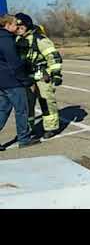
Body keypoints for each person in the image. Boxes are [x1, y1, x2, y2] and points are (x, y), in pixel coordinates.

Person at [15, 13, 63, 139]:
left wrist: (56, 73)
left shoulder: (40, 39)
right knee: (27, 105)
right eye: (17, 26)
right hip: (26, 77)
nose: (18, 29)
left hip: (42, 76)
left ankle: (50, 128)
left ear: (27, 26)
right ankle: (29, 128)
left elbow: (53, 56)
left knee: (46, 101)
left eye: (21, 26)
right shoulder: (17, 40)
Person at [0, 15, 40, 150]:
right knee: (21, 110)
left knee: (3, 110)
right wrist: (27, 81)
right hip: (12, 81)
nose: (17, 27)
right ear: (7, 25)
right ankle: (24, 139)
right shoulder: (6, 40)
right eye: (15, 24)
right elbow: (15, 64)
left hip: (2, 82)